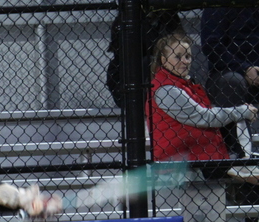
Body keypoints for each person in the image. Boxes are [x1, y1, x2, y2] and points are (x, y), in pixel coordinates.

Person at [146, 33, 258, 181]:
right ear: (163, 59)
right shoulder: (166, 89)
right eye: (177, 57)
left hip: (202, 157)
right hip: (185, 163)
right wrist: (242, 111)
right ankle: (245, 160)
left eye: (187, 56)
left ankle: (245, 159)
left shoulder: (183, 85)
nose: (184, 61)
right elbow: (204, 117)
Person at [201, 8, 259, 158]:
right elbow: (211, 44)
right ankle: (240, 156)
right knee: (232, 82)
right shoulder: (219, 6)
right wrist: (244, 69)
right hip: (228, 70)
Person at [106, 8, 183, 108]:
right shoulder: (126, 19)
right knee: (149, 61)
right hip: (129, 82)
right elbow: (147, 47)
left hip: (164, 80)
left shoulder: (168, 17)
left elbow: (176, 47)